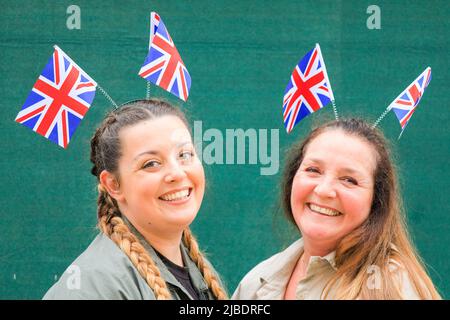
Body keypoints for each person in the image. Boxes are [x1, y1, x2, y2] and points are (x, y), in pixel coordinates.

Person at [232, 118, 441, 300]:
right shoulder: (257, 282)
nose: (324, 190)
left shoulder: (392, 286)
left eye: (349, 180)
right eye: (313, 170)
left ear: (376, 201)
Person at [44, 99, 227, 300]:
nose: (177, 173)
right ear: (113, 184)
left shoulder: (200, 271)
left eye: (184, 154)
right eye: (151, 163)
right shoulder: (93, 287)